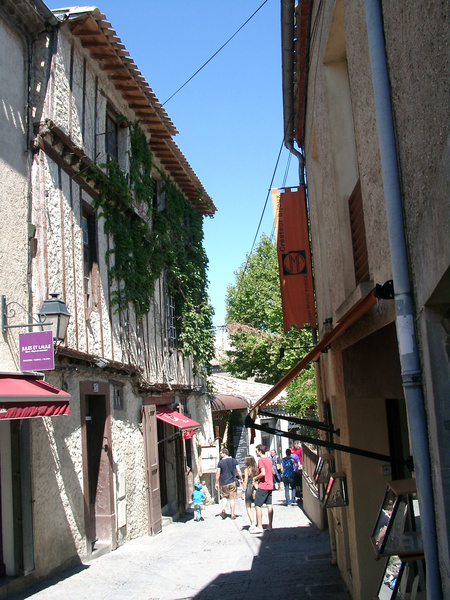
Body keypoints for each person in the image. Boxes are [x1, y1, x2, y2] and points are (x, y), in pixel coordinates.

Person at [215, 447, 243, 520]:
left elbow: (218, 473)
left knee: (224, 497)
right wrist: (241, 479)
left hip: (224, 482)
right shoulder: (234, 461)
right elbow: (238, 470)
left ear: (224, 453)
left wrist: (216, 483)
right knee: (232, 498)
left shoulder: (220, 462)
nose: (220, 455)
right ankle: (232, 514)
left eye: (221, 453)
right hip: (232, 482)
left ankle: (223, 509)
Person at [251, 444, 274, 533]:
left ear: (260, 451)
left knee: (257, 505)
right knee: (269, 504)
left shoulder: (261, 460)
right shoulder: (269, 460)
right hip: (270, 485)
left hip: (263, 485)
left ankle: (259, 526)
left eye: (256, 451)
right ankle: (270, 525)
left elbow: (263, 473)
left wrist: (255, 478)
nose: (256, 453)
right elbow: (272, 471)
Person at [241, 455, 259, 532]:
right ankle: (259, 523)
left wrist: (243, 491)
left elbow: (245, 481)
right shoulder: (256, 469)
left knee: (248, 506)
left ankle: (252, 523)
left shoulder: (246, 470)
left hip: (249, 488)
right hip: (256, 487)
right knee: (257, 506)